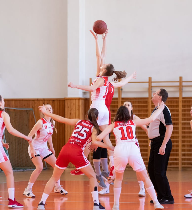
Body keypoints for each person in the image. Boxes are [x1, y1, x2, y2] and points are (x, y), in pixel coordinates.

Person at [68, 29, 135, 189]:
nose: (101, 63)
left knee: (87, 136)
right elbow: (101, 57)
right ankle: (113, 163)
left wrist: (75, 85)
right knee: (105, 138)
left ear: (104, 70)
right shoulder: (110, 82)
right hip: (104, 110)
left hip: (97, 109)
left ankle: (80, 165)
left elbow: (92, 89)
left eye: (102, 65)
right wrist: (100, 40)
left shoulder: (100, 79)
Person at [37, 106, 114, 210]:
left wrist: (47, 113)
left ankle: (41, 203)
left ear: (87, 116)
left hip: (65, 149)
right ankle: (96, 204)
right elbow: (95, 142)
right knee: (92, 176)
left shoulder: (79, 121)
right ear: (97, 118)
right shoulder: (94, 128)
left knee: (54, 177)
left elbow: (61, 119)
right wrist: (110, 147)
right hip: (76, 152)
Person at [97, 104, 166, 210]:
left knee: (119, 179)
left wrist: (94, 135)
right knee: (145, 177)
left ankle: (116, 205)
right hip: (133, 149)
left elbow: (99, 137)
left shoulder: (113, 124)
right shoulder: (132, 122)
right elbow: (151, 119)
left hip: (120, 150)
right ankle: (156, 203)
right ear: (127, 114)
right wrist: (160, 109)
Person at [23, 104, 67, 198]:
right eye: (47, 109)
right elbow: (29, 136)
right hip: (35, 146)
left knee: (57, 166)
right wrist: (31, 148)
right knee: (39, 167)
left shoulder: (52, 123)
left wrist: (51, 147)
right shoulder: (40, 122)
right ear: (43, 111)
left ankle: (57, 187)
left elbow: (49, 136)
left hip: (44, 147)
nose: (49, 110)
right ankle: (28, 189)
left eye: (50, 108)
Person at [147, 89, 174, 204]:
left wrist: (163, 145)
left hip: (162, 143)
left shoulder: (164, 109)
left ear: (160, 97)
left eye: (156, 93)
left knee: (159, 171)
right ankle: (160, 195)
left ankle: (168, 197)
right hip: (155, 143)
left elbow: (169, 127)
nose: (153, 94)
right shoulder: (156, 110)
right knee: (152, 170)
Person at [123, 101, 148, 197]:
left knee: (138, 168)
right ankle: (107, 187)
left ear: (131, 108)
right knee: (114, 166)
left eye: (128, 105)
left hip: (133, 145)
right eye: (124, 105)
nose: (126, 106)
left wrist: (151, 138)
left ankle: (142, 188)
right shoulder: (118, 118)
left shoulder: (134, 117)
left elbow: (145, 128)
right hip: (122, 146)